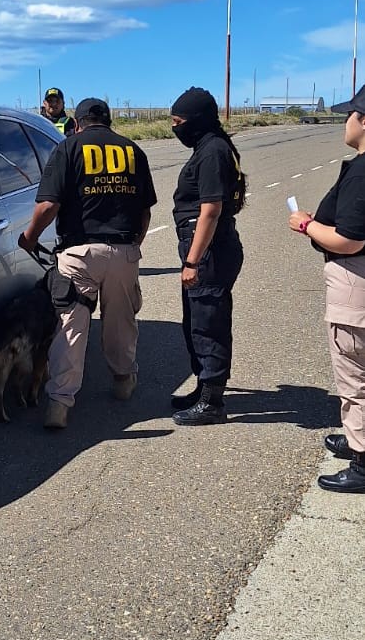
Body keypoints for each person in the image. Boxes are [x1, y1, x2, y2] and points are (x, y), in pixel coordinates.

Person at [18, 96, 156, 429]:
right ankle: (123, 381)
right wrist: (133, 244)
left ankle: (59, 405)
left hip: (78, 255)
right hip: (122, 250)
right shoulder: (132, 151)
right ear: (108, 121)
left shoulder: (67, 149)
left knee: (70, 328)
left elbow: (48, 206)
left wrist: (30, 238)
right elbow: (145, 210)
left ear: (76, 123)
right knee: (120, 322)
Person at [288, 85, 365, 493]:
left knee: (355, 375)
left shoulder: (362, 170)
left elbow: (350, 239)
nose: (346, 121)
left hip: (355, 282)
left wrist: (306, 225)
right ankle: (356, 439)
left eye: (352, 114)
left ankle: (363, 460)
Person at [170, 87, 245, 426]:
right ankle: (204, 388)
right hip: (207, 248)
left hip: (208, 251)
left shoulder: (212, 150)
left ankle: (212, 401)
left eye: (178, 121)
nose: (175, 127)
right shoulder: (211, 145)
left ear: (196, 121)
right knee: (196, 321)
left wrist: (193, 261)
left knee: (208, 323)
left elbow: (211, 210)